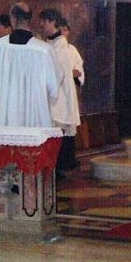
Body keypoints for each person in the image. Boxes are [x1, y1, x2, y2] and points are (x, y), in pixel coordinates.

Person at [0, 2, 59, 127]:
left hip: (4, 114)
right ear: (30, 19)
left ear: (12, 18)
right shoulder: (43, 50)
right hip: (34, 115)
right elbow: (53, 87)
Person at [40, 9, 81, 171]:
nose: (41, 24)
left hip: (59, 94)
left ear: (52, 21)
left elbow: (58, 72)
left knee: (59, 127)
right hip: (53, 92)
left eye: (44, 21)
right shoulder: (50, 42)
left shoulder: (61, 44)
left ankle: (59, 166)